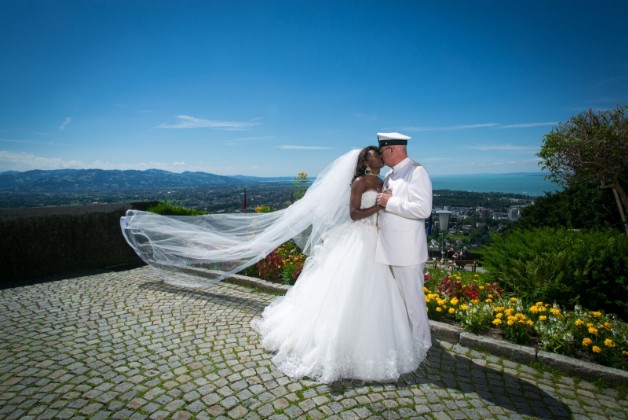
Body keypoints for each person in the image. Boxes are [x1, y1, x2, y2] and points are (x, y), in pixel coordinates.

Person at [250, 146, 429, 383]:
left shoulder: (383, 180)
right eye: (375, 153)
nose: (379, 155)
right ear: (365, 161)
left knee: (377, 295)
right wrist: (380, 205)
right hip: (359, 242)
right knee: (350, 291)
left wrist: (386, 205)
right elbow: (354, 214)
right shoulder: (359, 182)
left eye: (380, 152)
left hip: (379, 241)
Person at [375, 132, 433, 355]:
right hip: (388, 248)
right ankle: (406, 342)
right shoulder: (391, 175)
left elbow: (422, 209)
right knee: (398, 303)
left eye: (382, 152)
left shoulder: (417, 172)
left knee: (412, 303)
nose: (381, 157)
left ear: (391, 149)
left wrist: (390, 202)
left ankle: (421, 346)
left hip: (407, 251)